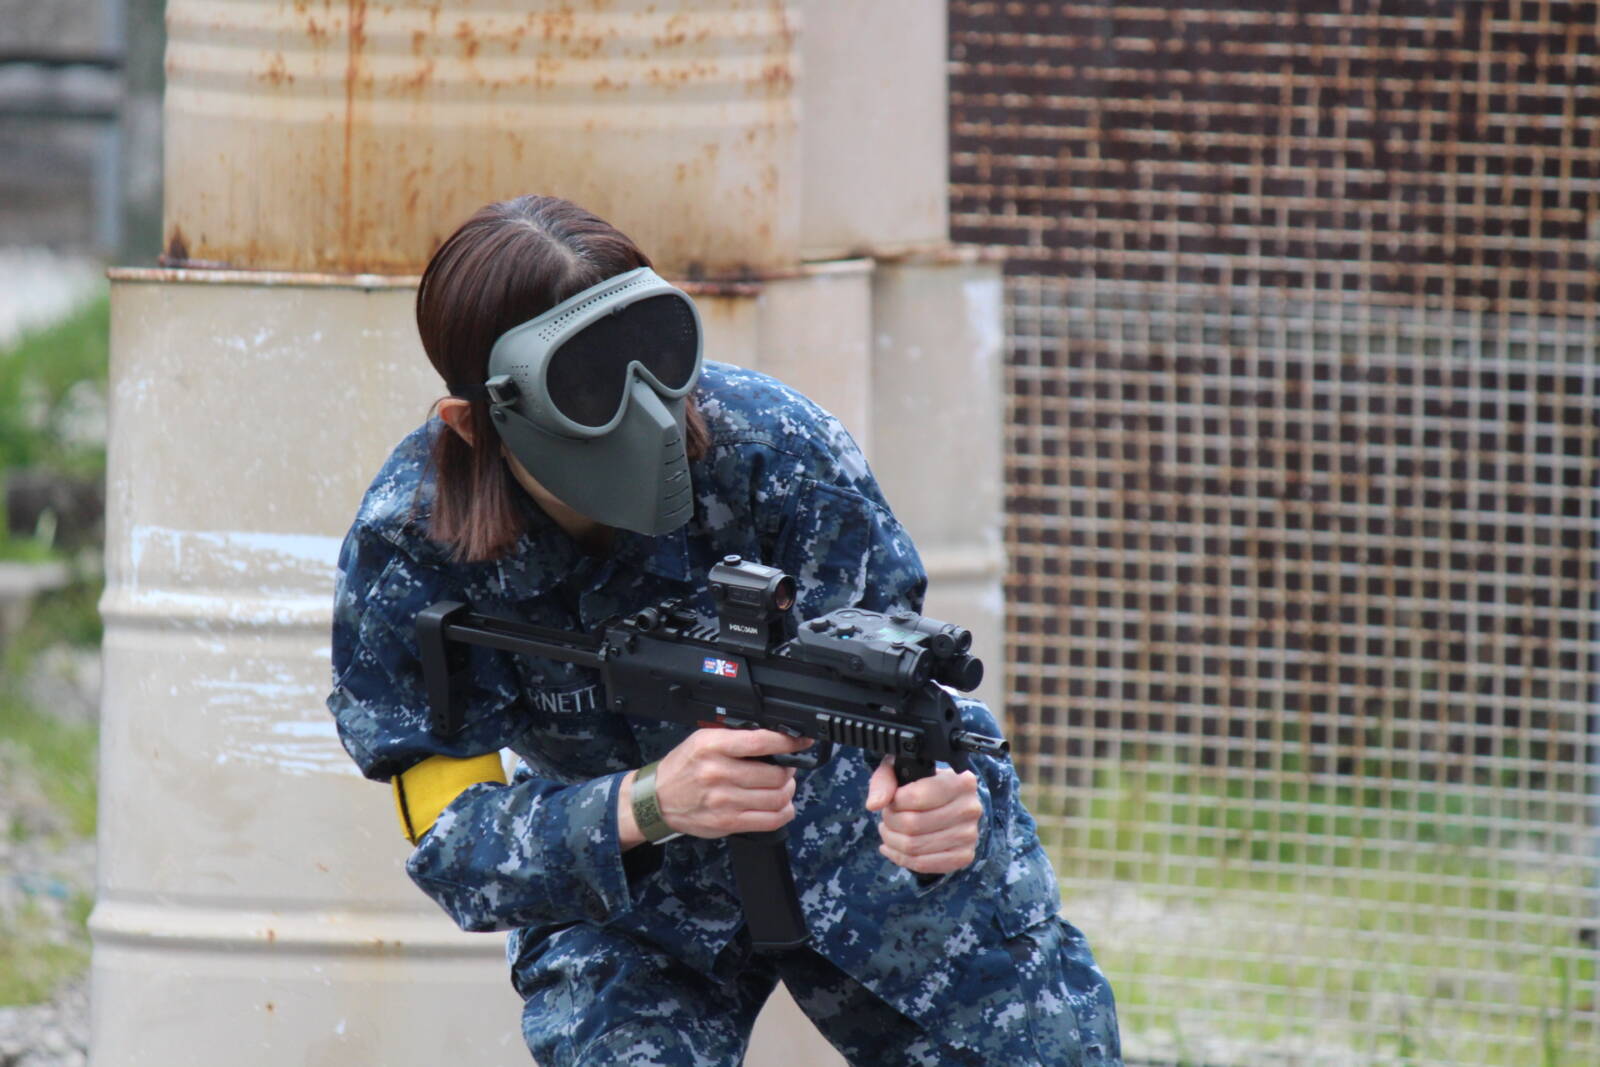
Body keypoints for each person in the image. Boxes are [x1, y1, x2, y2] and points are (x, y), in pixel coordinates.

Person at [326, 195, 1121, 1066]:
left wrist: (943, 805)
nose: (648, 413)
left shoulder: (779, 451)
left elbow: (901, 682)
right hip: (634, 893)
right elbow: (454, 843)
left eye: (656, 354)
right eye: (586, 386)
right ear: (472, 422)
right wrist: (648, 802)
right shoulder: (413, 550)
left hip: (857, 842)